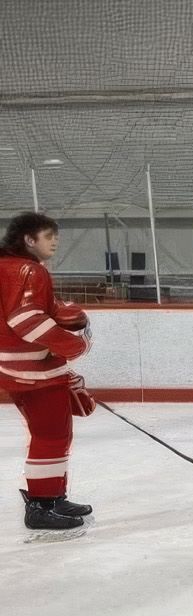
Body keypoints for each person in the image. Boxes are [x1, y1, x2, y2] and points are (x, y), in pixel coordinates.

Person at [0, 212, 96, 539]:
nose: (55, 241)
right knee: (51, 436)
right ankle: (41, 506)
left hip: (16, 369)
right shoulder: (30, 269)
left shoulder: (7, 267)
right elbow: (26, 319)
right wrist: (74, 344)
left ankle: (53, 497)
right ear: (29, 239)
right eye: (48, 235)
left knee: (52, 435)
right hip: (35, 372)